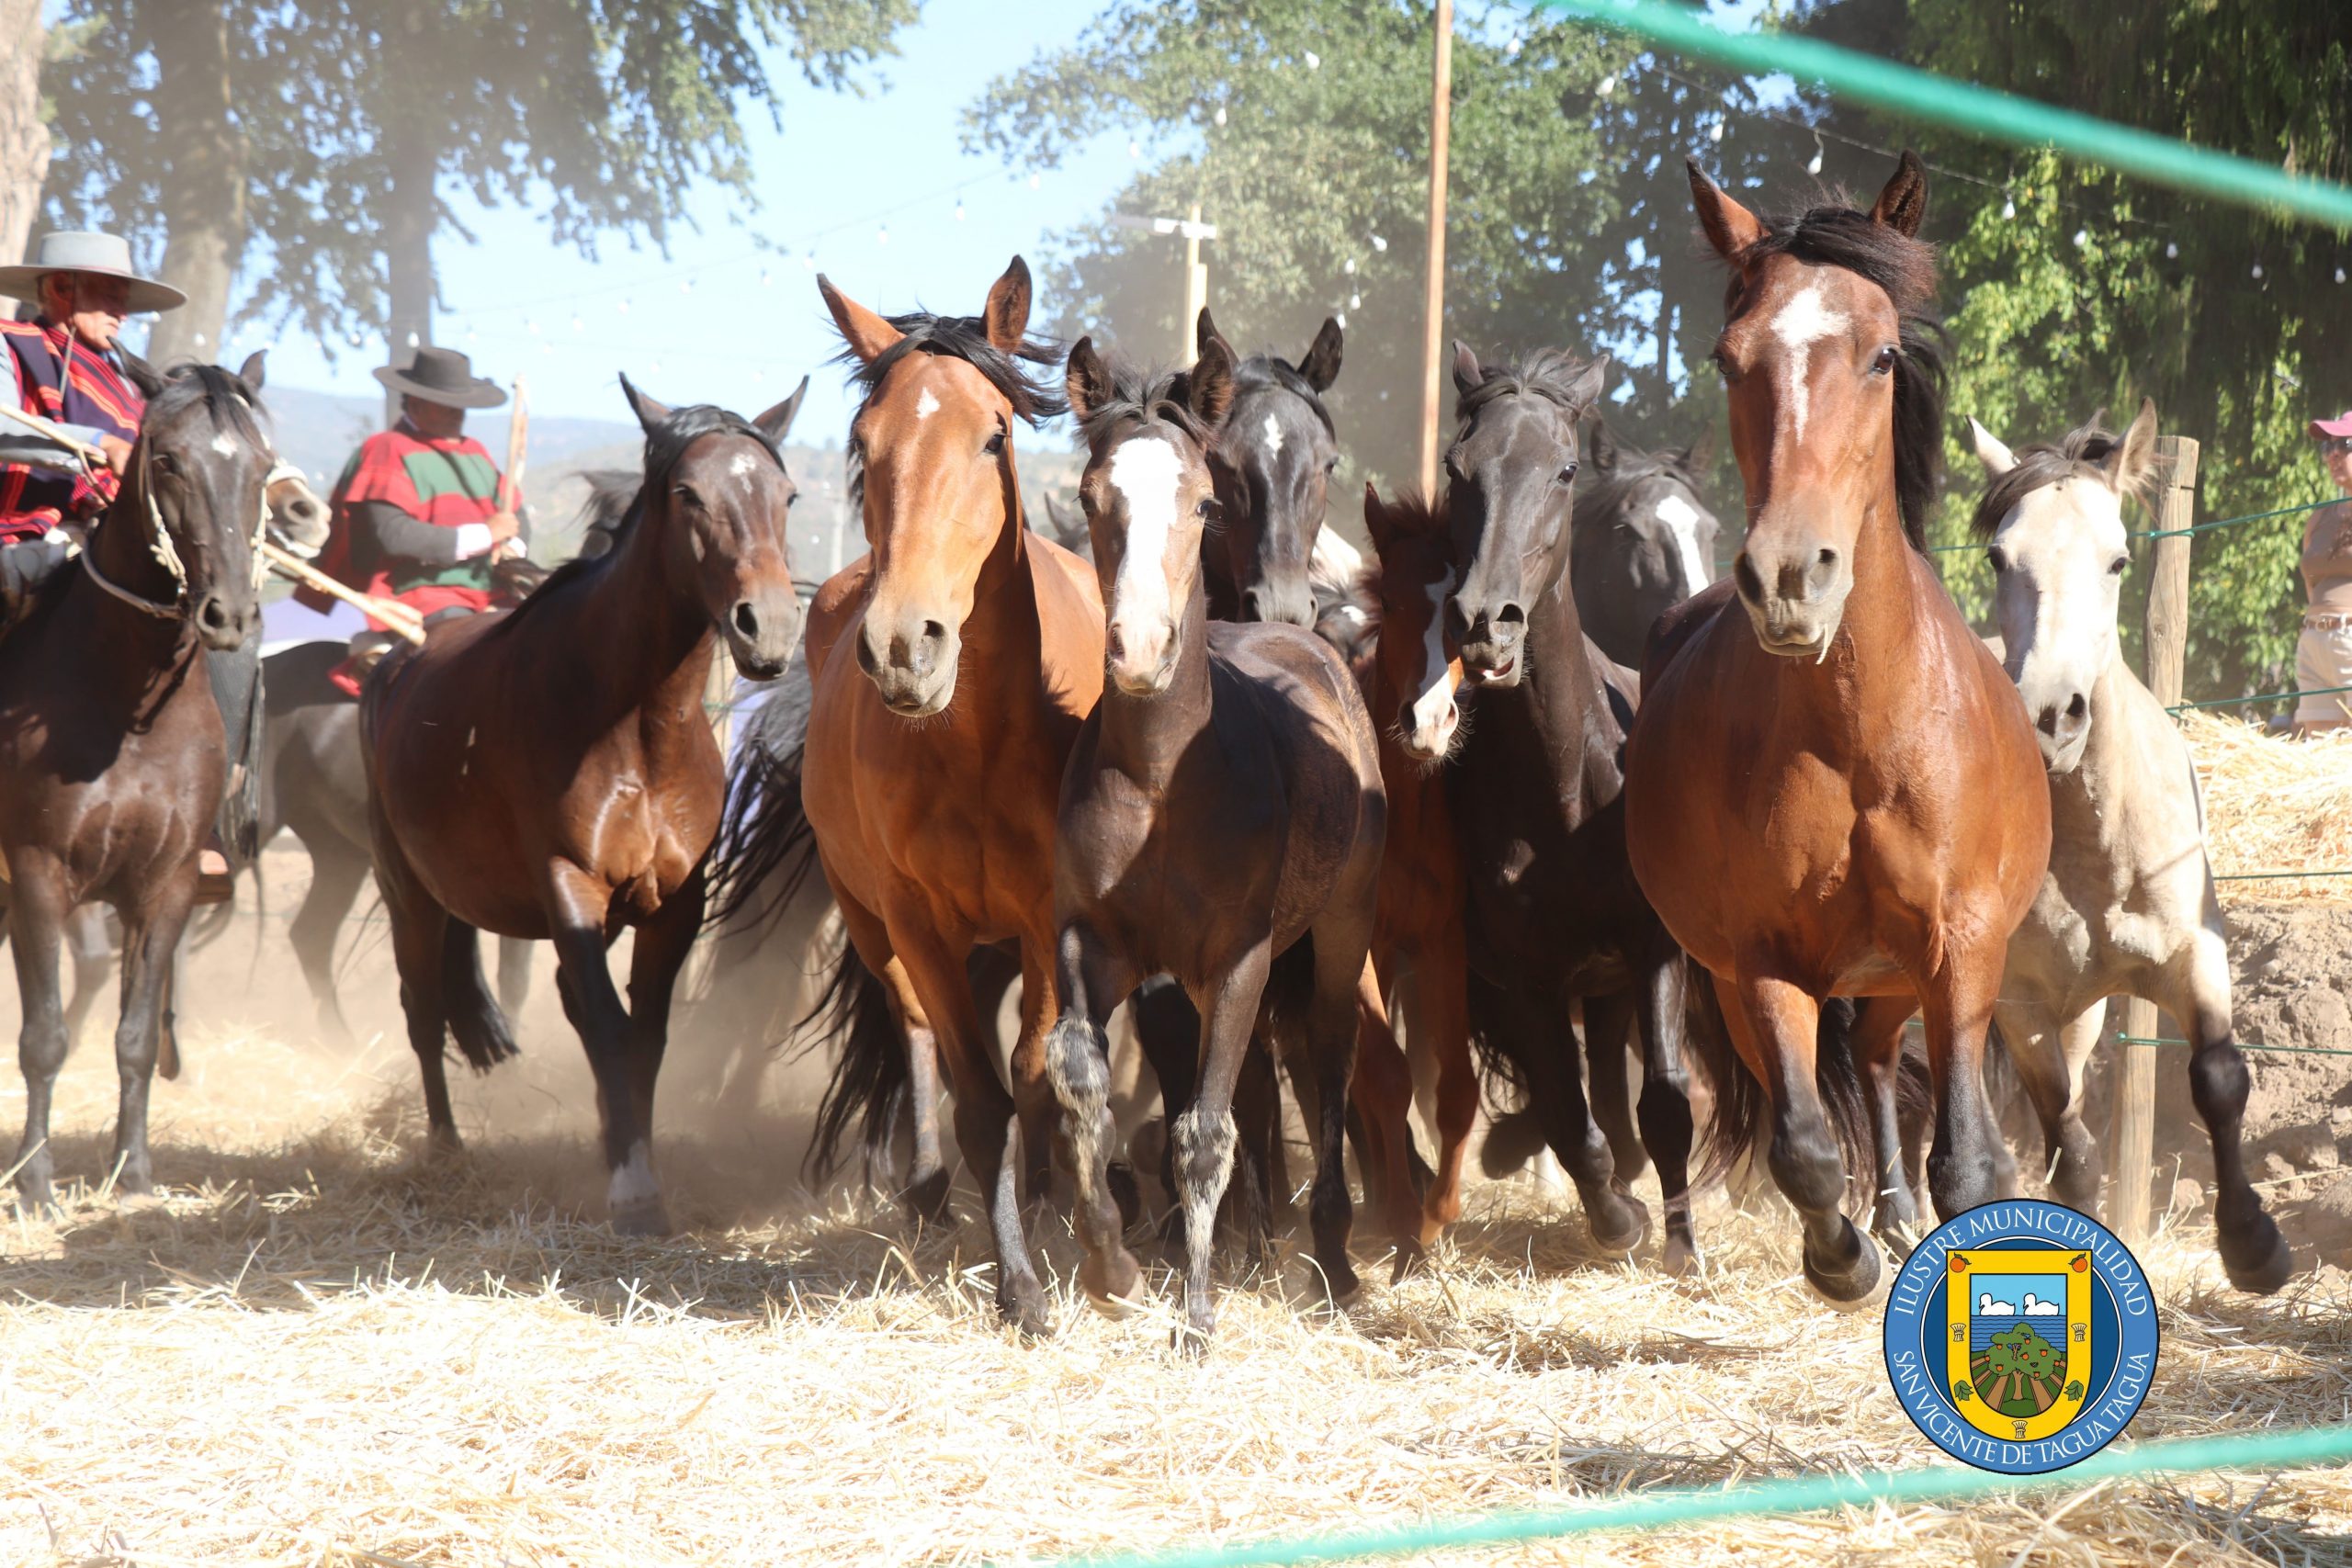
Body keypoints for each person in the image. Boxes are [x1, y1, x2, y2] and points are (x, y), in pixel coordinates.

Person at [301, 344, 525, 657]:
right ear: (416, 403)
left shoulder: (476, 452)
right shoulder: (387, 449)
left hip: (492, 589)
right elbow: (394, 535)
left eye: (461, 406)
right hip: (423, 593)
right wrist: (485, 536)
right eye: (446, 405)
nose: (457, 413)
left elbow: (513, 514)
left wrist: (512, 544)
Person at [2293, 410, 2352, 737]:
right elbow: (2310, 581)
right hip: (2314, 642)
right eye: (2327, 446)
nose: (2333, 453)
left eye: (2344, 443)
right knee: (2321, 762)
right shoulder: (2318, 518)